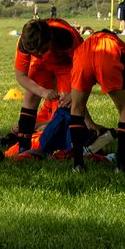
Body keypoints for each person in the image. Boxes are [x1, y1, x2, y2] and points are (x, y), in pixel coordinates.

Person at [13, 17, 86, 152]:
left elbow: (82, 69)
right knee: (31, 96)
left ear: (50, 40)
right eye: (35, 52)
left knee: (67, 102)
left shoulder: (65, 38)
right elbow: (21, 75)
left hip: (66, 63)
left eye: (43, 50)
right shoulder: (25, 43)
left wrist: (73, 94)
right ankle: (23, 147)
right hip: (41, 65)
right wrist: (42, 91)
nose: (40, 54)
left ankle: (68, 145)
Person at [69, 29, 125, 172]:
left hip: (84, 51)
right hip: (109, 51)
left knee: (76, 108)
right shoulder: (119, 45)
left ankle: (77, 164)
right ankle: (122, 165)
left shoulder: (86, 44)